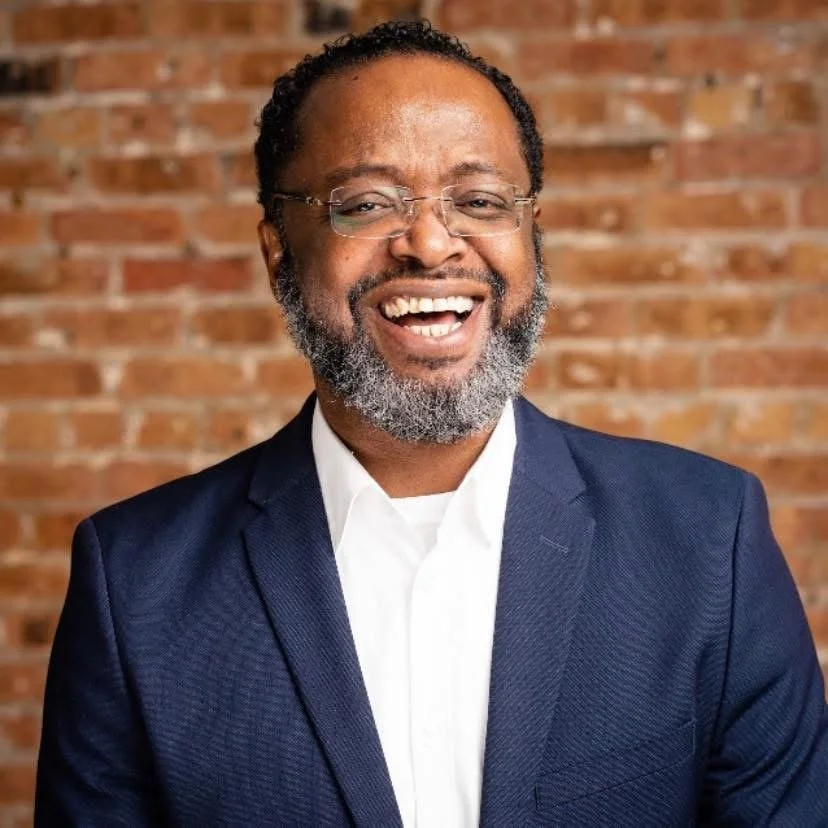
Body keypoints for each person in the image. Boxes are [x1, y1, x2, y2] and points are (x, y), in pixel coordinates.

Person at [36, 19, 827, 826]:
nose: (430, 243)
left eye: (479, 200)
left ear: (531, 234)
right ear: (279, 252)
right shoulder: (134, 584)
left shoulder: (708, 540)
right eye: (367, 203)